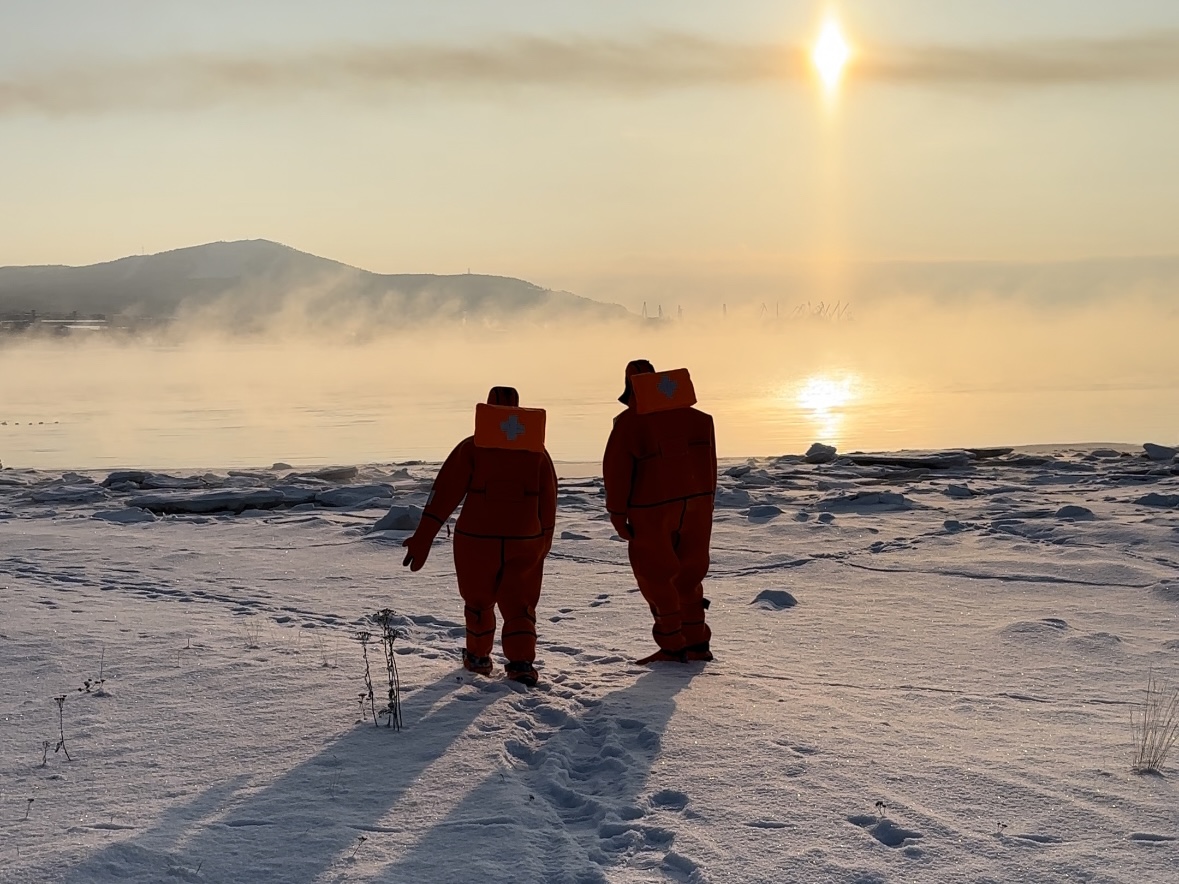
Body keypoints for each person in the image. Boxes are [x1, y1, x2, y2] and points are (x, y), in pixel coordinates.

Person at [401, 386, 557, 686]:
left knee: (477, 601)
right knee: (519, 605)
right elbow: (549, 501)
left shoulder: (472, 448)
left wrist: (424, 536)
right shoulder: (537, 452)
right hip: (524, 540)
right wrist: (543, 542)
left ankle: (477, 657)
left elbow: (444, 494)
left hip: (476, 540)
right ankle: (522, 663)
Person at [603, 360, 718, 663]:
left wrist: (617, 513)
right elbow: (710, 465)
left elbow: (617, 472)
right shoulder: (700, 419)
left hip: (650, 510)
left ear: (630, 386)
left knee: (656, 577)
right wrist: (706, 504)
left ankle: (672, 645)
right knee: (690, 575)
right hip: (697, 506)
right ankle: (696, 642)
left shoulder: (630, 423)